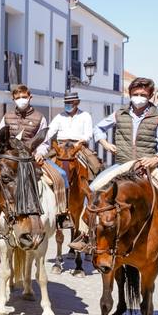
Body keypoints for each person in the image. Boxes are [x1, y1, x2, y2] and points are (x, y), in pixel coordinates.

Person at [89, 77, 158, 265]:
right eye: (136, 94)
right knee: (94, 189)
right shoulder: (118, 114)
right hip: (123, 165)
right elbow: (98, 128)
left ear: (150, 96)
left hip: (149, 167)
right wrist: (104, 142)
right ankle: (86, 236)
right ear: (130, 95)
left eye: (143, 95)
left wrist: (156, 158)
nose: (139, 98)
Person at [0, 84, 69, 227]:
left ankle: (62, 214)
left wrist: (40, 153)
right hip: (11, 159)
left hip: (32, 157)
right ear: (13, 99)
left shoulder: (39, 117)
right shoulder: (7, 117)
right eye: (18, 97)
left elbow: (45, 142)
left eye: (24, 97)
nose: (21, 100)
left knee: (61, 176)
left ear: (30, 97)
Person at [38, 89, 101, 248]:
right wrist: (41, 141)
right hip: (60, 146)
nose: (68, 105)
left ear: (77, 103)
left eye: (71, 103)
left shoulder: (85, 116)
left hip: (78, 146)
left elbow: (88, 135)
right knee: (43, 165)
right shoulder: (59, 117)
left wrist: (78, 144)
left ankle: (92, 198)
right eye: (66, 103)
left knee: (95, 164)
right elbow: (50, 132)